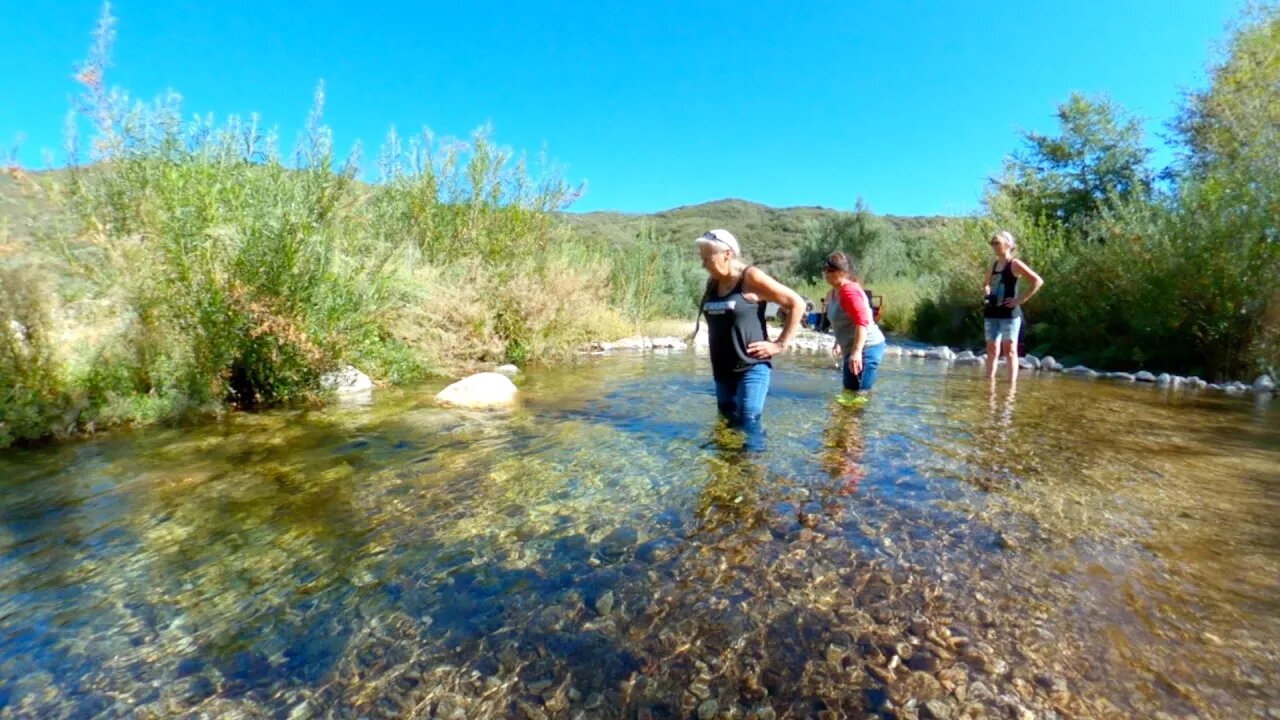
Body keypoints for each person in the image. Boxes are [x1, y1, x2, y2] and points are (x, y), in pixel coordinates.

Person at [695, 228, 805, 430]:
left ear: (727, 254)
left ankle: (754, 462)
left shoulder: (750, 277)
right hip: (722, 372)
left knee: (748, 426)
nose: (703, 264)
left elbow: (797, 304)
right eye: (702, 259)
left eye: (707, 258)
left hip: (751, 367)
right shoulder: (713, 283)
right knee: (726, 427)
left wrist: (779, 344)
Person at [982, 230, 1044, 383]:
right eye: (993, 243)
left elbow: (1037, 281)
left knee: (1010, 351)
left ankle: (1011, 387)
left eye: (997, 243)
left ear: (1008, 245)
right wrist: (986, 290)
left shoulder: (1015, 264)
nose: (994, 246)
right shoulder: (994, 265)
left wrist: (1019, 300)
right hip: (991, 312)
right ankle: (989, 383)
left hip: (1009, 315)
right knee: (991, 350)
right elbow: (985, 284)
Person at [822, 251, 887, 395]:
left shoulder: (850, 292)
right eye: (825, 270)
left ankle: (855, 417)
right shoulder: (832, 293)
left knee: (857, 393)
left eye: (831, 270)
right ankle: (847, 417)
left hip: (866, 348)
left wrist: (857, 352)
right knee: (849, 391)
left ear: (843, 272)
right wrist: (838, 342)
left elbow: (861, 322)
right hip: (851, 347)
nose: (827, 273)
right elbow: (841, 321)